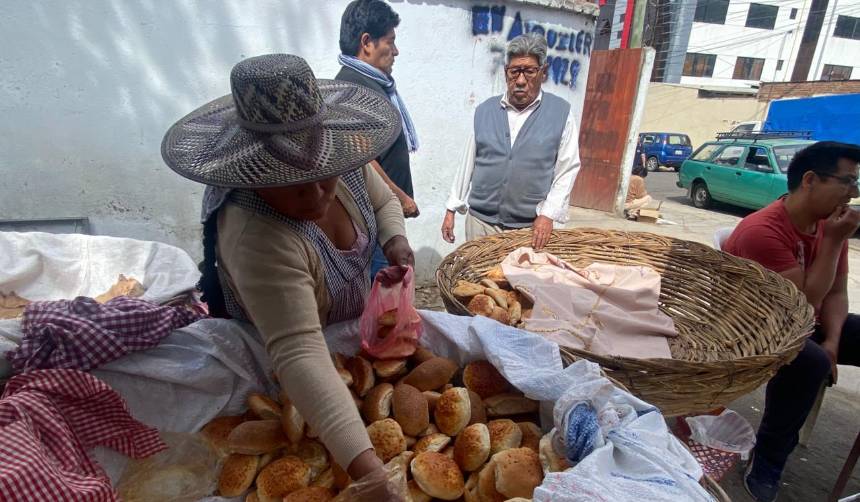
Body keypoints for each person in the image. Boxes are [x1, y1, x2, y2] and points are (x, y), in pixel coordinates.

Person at [161, 54, 412, 500]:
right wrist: (371, 473)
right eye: (294, 184)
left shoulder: (341, 161)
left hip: (351, 351)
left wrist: (393, 241)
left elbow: (384, 203)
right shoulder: (252, 229)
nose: (317, 194)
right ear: (253, 173)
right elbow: (298, 352)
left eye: (323, 178)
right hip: (275, 361)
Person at [723, 141, 860, 502]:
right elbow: (800, 307)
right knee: (809, 361)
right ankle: (767, 457)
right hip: (755, 328)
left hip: (803, 321)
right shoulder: (763, 231)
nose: (852, 193)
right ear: (811, 180)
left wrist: (832, 340)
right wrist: (832, 243)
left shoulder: (828, 224)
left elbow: (836, 293)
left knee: (831, 344)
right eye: (846, 182)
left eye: (856, 184)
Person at [440, 33, 581, 250]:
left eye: (529, 71)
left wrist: (548, 214)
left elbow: (567, 169)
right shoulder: (485, 111)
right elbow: (467, 163)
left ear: (542, 73)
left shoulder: (560, 113)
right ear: (506, 73)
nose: (521, 80)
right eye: (515, 72)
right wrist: (451, 209)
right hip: (480, 223)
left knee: (519, 284)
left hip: (528, 229)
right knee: (477, 282)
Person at [336, 0, 419, 279]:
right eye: (390, 42)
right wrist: (400, 197)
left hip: (383, 219)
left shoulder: (370, 84)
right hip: (373, 223)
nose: (396, 51)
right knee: (382, 309)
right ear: (367, 42)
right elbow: (363, 160)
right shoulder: (354, 87)